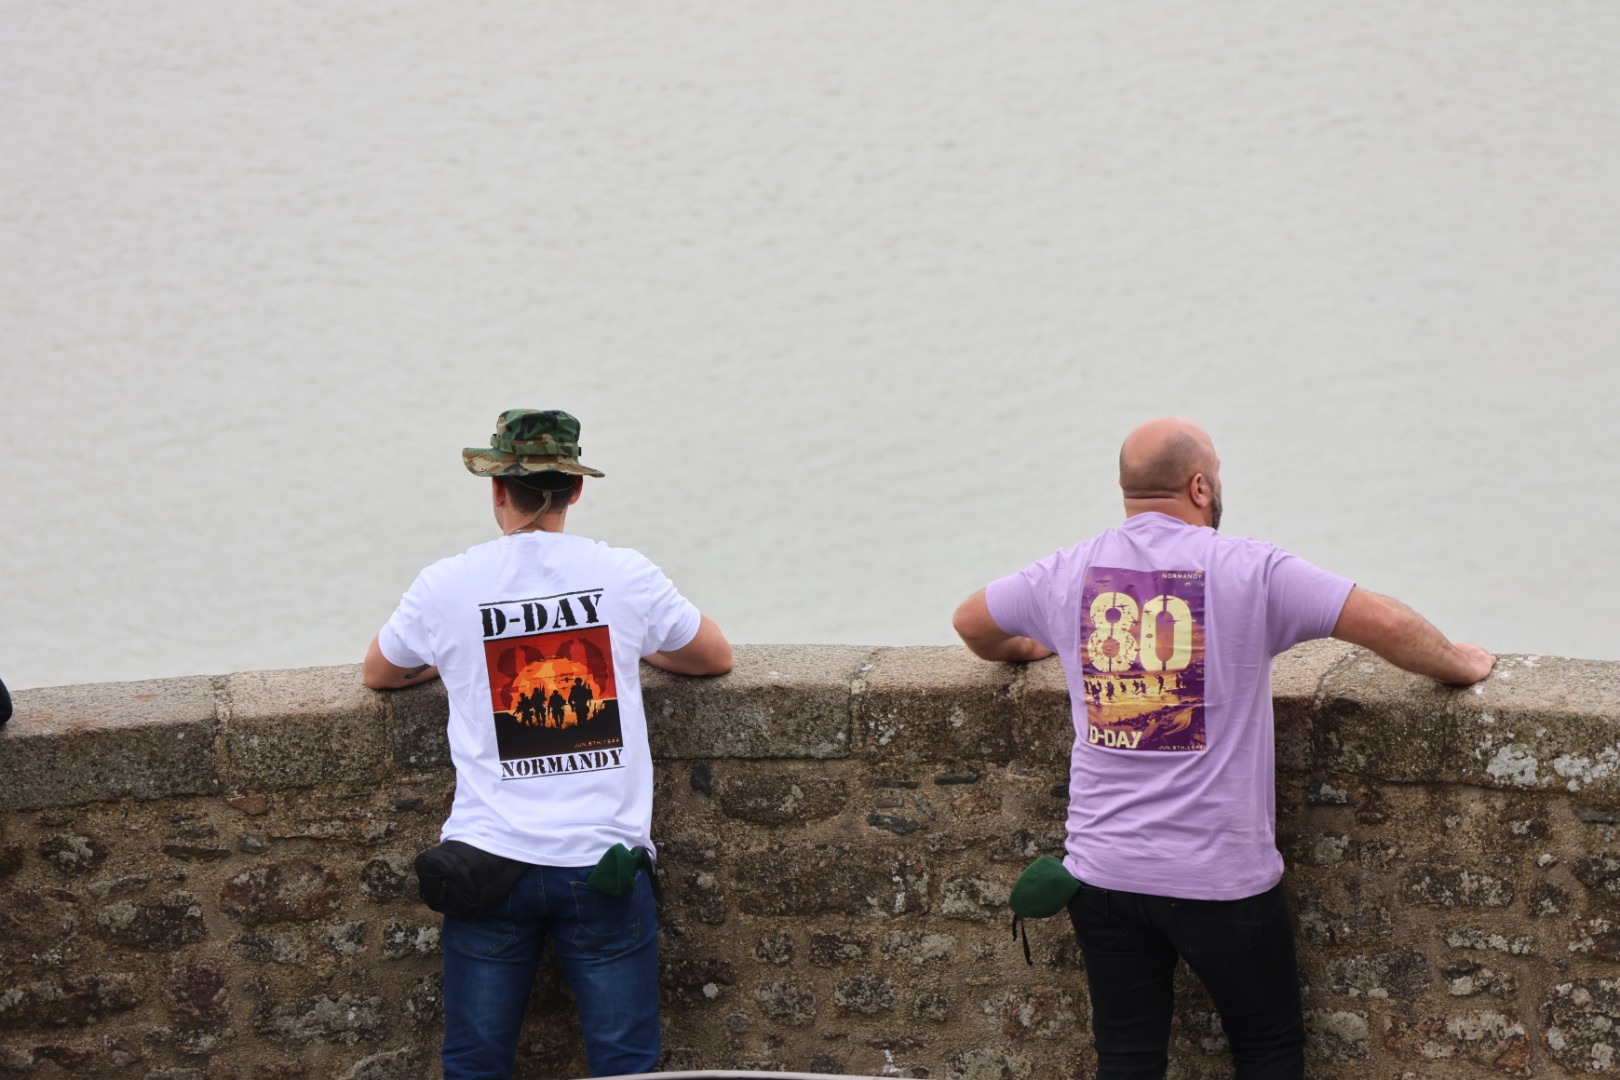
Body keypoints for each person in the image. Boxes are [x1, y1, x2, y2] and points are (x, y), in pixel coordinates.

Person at [952, 417, 1492, 1080]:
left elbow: (972, 623)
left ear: (1126, 491)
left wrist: (1030, 644)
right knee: (1266, 1050)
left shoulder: (1068, 571)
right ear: (1200, 487)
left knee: (1127, 1057)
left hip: (1104, 872)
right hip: (1218, 879)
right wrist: (1460, 663)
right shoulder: (1250, 569)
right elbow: (1383, 621)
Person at [364, 408, 732, 1080]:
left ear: (496, 489)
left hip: (487, 863)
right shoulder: (624, 574)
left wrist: (453, 658)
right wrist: (632, 646)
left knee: (474, 1065)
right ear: (576, 489)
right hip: (604, 863)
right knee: (627, 1069)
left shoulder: (446, 584)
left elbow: (381, 672)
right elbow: (712, 656)